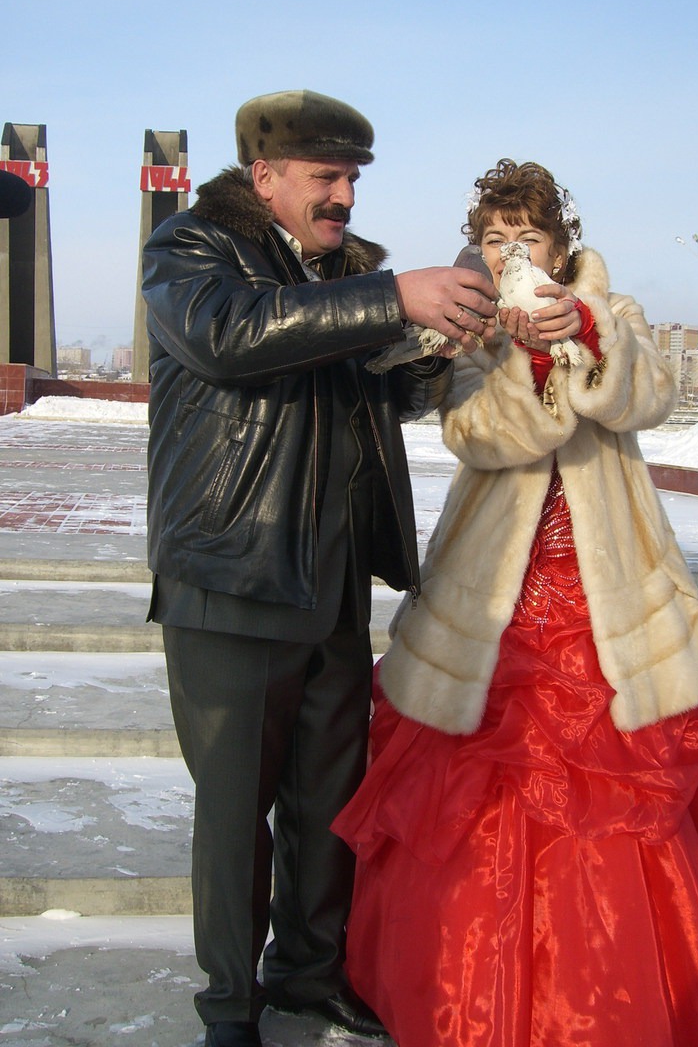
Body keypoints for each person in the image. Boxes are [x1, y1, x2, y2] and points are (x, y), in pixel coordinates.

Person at [334, 159, 698, 1046]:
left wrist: (585, 333)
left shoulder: (615, 312)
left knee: (629, 799)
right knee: (480, 792)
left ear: (560, 249)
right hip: (494, 604)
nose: (510, 253)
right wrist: (524, 360)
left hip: (615, 602)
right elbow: (478, 437)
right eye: (494, 239)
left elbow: (647, 397)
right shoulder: (470, 331)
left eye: (527, 236)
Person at [141, 89, 498, 1047]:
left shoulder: (348, 275)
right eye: (324, 176)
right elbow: (231, 335)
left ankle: (306, 973)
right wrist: (390, 299)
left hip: (333, 583)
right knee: (234, 814)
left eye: (352, 179)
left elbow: (385, 397)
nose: (343, 196)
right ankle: (230, 1008)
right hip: (234, 576)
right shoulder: (192, 249)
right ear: (264, 177)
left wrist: (433, 342)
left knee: (328, 803)